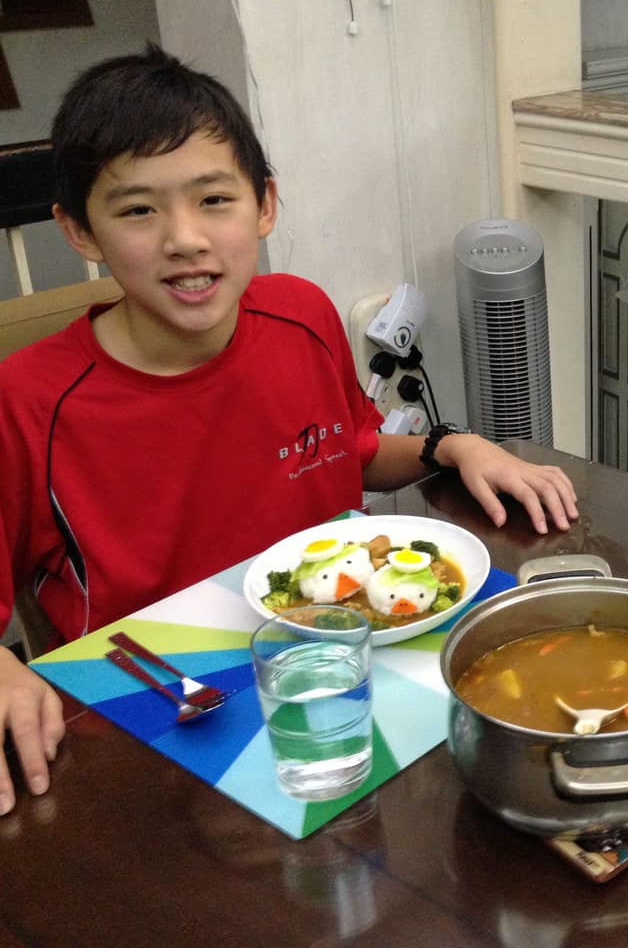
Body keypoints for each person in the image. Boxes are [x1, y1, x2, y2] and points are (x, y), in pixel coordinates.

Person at [0, 45, 579, 815]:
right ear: (79, 231)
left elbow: (356, 451)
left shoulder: (300, 313)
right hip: (160, 720)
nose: (185, 238)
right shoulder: (29, 399)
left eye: (214, 199)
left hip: (348, 670)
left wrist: (453, 445)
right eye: (137, 209)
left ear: (265, 204)